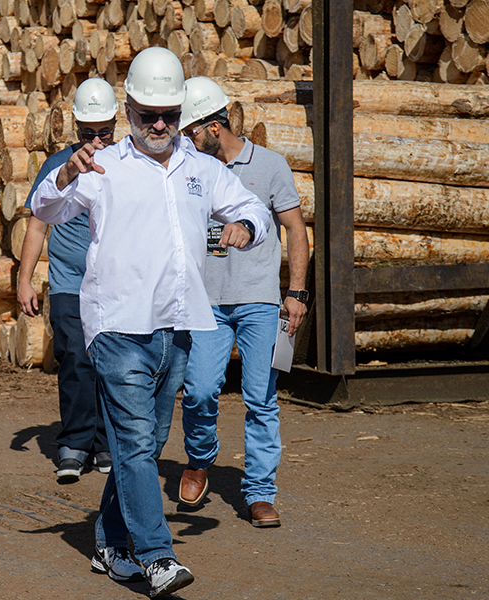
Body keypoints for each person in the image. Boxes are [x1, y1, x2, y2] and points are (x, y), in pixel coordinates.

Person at [30, 47, 272, 598]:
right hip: (117, 329)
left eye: (168, 115)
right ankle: (156, 555)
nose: (158, 125)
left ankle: (111, 543)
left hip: (177, 329)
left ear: (181, 112)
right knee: (137, 444)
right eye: (146, 115)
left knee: (145, 442)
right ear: (129, 110)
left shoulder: (202, 170)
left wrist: (245, 229)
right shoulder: (101, 166)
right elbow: (43, 209)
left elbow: (254, 209)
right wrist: (65, 172)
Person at [176, 76, 310, 528]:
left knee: (261, 399)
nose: (185, 141)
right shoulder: (189, 170)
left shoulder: (269, 165)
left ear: (214, 128)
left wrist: (295, 293)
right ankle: (200, 459)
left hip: (257, 302)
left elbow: (295, 230)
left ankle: (259, 493)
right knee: (197, 390)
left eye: (190, 131)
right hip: (207, 304)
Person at [18, 78, 116, 485]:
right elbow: (38, 226)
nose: (96, 140)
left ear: (116, 123)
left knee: (110, 362)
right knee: (74, 357)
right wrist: (24, 279)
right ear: (75, 128)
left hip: (112, 283)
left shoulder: (126, 163)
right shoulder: (57, 165)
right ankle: (75, 444)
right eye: (88, 133)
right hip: (67, 282)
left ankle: (106, 441)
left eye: (104, 132)